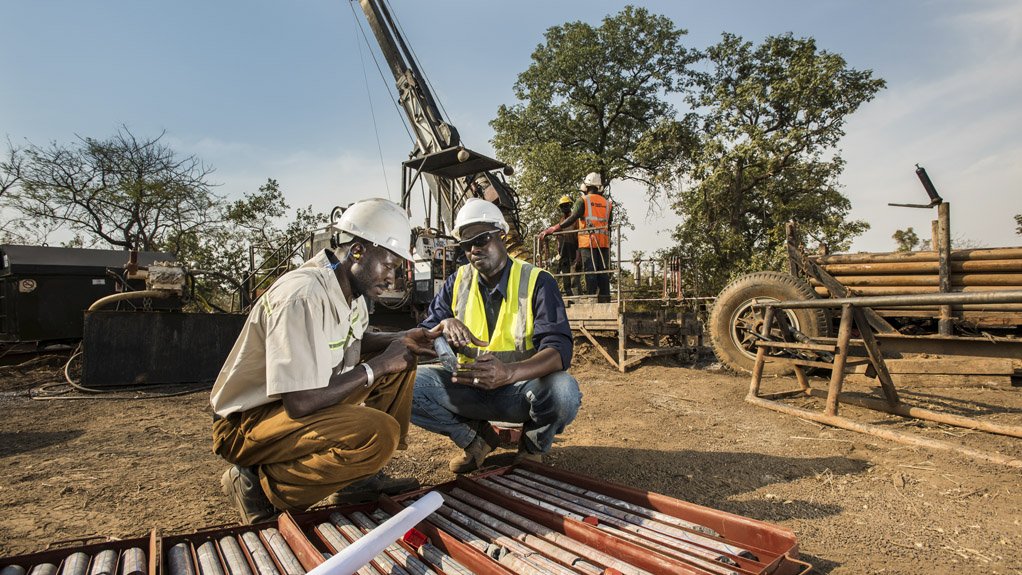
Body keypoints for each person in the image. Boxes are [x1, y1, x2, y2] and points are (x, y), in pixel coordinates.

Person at [210, 198, 441, 524]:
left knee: (404, 357)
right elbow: (301, 402)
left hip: (289, 408)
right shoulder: (302, 296)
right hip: (247, 423)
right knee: (380, 432)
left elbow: (352, 342)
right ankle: (256, 486)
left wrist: (405, 337)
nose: (392, 279)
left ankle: (360, 478)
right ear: (358, 251)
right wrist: (379, 366)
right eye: (388, 266)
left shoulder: (351, 292)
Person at [411, 198, 582, 473]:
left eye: (481, 239)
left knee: (564, 391)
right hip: (469, 388)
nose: (474, 249)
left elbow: (559, 350)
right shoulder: (457, 282)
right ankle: (476, 440)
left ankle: (531, 447)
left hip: (519, 390)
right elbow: (424, 336)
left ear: (502, 235)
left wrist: (509, 373)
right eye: (467, 244)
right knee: (406, 385)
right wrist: (443, 325)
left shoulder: (537, 281)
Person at [539, 172, 613, 302]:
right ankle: (605, 299)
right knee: (602, 271)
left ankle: (592, 299)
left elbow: (573, 217)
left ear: (587, 186)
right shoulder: (607, 203)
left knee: (590, 271)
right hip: (603, 242)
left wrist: (554, 228)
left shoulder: (583, 200)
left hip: (588, 242)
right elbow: (609, 222)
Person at [553, 193, 583, 297]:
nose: (564, 207)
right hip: (563, 252)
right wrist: (558, 252)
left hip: (574, 251)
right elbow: (559, 237)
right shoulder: (561, 220)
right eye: (562, 206)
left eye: (566, 205)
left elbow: (579, 236)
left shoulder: (575, 219)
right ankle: (569, 296)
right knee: (566, 279)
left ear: (570, 205)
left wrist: (579, 255)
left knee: (575, 279)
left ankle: (577, 298)